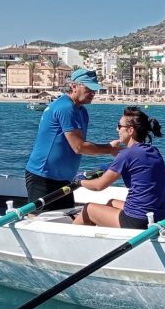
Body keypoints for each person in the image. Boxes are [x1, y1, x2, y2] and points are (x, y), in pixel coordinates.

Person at [24, 68, 121, 211]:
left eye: (95, 89)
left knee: (64, 218)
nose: (93, 93)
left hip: (63, 179)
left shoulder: (81, 110)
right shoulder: (65, 107)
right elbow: (79, 147)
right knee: (39, 219)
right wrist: (109, 149)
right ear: (74, 86)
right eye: (89, 88)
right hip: (43, 176)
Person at [74, 107, 165, 229]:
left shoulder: (126, 155)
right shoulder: (153, 151)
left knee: (88, 209)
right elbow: (135, 163)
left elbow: (99, 186)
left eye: (119, 126)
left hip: (137, 220)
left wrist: (79, 181)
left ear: (130, 130)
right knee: (111, 203)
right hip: (160, 216)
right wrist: (118, 157)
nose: (116, 129)